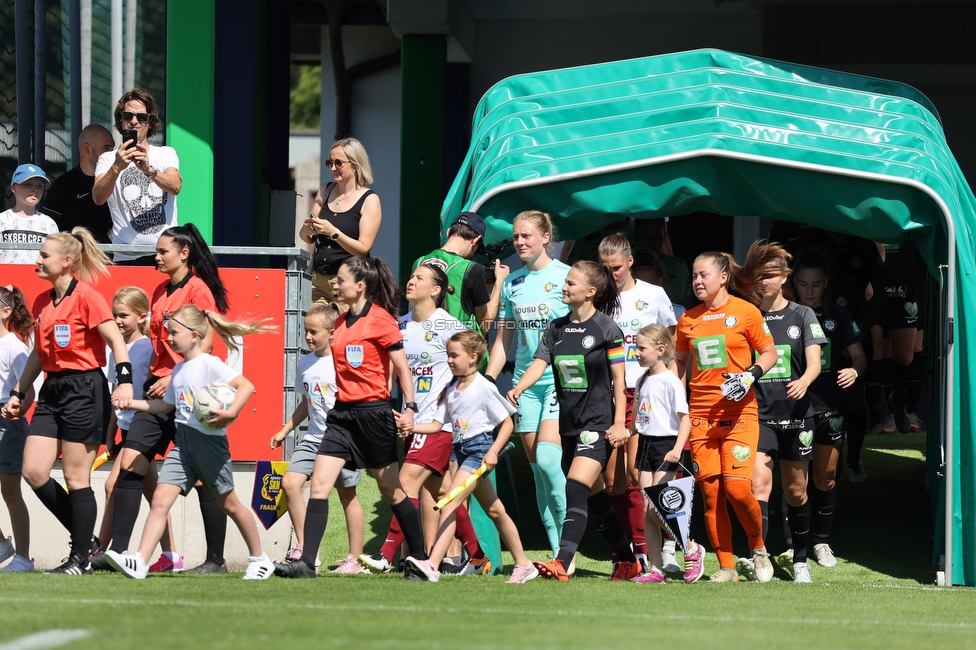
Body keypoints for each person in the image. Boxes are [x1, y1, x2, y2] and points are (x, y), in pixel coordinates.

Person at [273, 257, 429, 579]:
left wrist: (410, 407)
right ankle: (306, 564)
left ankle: (420, 558)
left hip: (373, 414)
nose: (335, 284)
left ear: (360, 286)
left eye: (341, 280)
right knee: (319, 484)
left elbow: (402, 369)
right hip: (341, 415)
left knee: (392, 490)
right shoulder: (340, 324)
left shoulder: (383, 321)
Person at [104, 305, 276, 580]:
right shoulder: (180, 369)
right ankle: (139, 560)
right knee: (160, 499)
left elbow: (246, 386)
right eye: (168, 333)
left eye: (174, 333)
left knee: (229, 504)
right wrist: (132, 402)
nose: (169, 338)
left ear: (194, 335)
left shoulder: (208, 364)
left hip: (209, 445)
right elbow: (164, 406)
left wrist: (231, 413)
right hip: (183, 444)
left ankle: (260, 558)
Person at [1, 228, 133, 574]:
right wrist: (18, 392)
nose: (38, 260)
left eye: (44, 255)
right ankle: (85, 538)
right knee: (33, 470)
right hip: (52, 391)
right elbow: (37, 355)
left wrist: (125, 382)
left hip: (85, 389)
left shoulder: (88, 297)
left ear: (67, 262)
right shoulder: (43, 301)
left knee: (77, 478)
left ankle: (80, 559)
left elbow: (116, 342)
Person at [100, 224, 230, 574]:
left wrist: (174, 376)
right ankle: (121, 554)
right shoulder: (159, 290)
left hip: (188, 393)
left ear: (184, 254)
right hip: (156, 392)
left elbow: (206, 344)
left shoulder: (200, 291)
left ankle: (216, 560)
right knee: (130, 467)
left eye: (163, 251)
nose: (156, 256)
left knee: (205, 480)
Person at [509, 260, 642, 582]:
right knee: (596, 500)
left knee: (574, 487)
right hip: (568, 424)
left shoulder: (606, 329)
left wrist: (619, 424)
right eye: (564, 282)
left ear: (590, 292)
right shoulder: (555, 329)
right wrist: (518, 388)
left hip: (596, 425)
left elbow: (619, 381)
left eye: (570, 283)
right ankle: (628, 561)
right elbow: (539, 364)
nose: (563, 287)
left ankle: (562, 561)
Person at [358, 264, 485, 575]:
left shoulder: (448, 325)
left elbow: (470, 369)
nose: (411, 281)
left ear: (436, 290)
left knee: (405, 484)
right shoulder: (398, 326)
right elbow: (390, 372)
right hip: (410, 421)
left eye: (420, 278)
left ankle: (387, 555)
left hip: (438, 422)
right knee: (442, 493)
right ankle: (478, 556)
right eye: (411, 276)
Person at [673, 246, 778, 583]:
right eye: (693, 276)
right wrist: (670, 396)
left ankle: (759, 548)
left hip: (740, 413)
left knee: (736, 490)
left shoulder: (746, 312)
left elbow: (770, 352)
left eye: (703, 275)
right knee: (711, 494)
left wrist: (751, 374)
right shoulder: (687, 319)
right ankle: (727, 567)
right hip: (701, 417)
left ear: (723, 277)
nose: (697, 281)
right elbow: (678, 364)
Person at [405, 330, 539, 584]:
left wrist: (492, 451)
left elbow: (507, 423)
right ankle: (524, 564)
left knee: (450, 502)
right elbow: (436, 425)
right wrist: (410, 426)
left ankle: (432, 565)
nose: (449, 360)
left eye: (454, 356)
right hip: (461, 450)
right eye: (448, 355)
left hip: (478, 450)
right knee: (496, 510)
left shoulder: (484, 387)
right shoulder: (451, 388)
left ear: (473, 357)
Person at [737, 243, 826, 585]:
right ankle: (760, 557)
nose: (764, 282)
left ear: (785, 277)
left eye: (771, 276)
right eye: (759, 276)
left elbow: (815, 362)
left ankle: (800, 558)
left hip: (798, 416)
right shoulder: (748, 316)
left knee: (797, 492)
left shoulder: (803, 315)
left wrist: (804, 380)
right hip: (759, 415)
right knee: (757, 482)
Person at [486, 210, 571, 561]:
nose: (520, 242)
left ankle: (569, 547)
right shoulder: (512, 283)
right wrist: (489, 379)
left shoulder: (567, 277)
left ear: (546, 237)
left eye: (527, 236)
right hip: (523, 385)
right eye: (517, 237)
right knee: (537, 471)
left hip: (559, 382)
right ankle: (557, 555)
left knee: (551, 464)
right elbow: (504, 337)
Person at [598, 232, 677, 572]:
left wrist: (673, 393)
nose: (610, 273)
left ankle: (659, 549)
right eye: (603, 267)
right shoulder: (597, 297)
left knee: (638, 475)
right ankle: (631, 549)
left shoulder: (654, 294)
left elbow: (670, 349)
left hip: (644, 392)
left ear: (630, 262)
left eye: (615, 267)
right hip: (607, 393)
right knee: (612, 480)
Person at [270, 303, 367, 573]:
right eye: (305, 331)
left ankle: (354, 559)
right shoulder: (305, 362)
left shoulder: (345, 362)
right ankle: (307, 549)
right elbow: (306, 403)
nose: (308, 337)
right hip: (313, 439)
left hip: (341, 440)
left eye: (314, 332)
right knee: (290, 483)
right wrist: (285, 430)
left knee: (347, 495)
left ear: (333, 332)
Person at [91, 287, 181, 572]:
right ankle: (171, 555)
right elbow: (116, 391)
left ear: (142, 317)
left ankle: (102, 549)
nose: (117, 321)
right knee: (152, 492)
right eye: (114, 315)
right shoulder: (116, 349)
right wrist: (110, 432)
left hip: (145, 426)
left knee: (112, 485)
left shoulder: (146, 348)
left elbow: (148, 387)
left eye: (124, 315)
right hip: (126, 428)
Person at [791, 253, 866, 567]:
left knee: (826, 478)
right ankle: (791, 545)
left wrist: (855, 371)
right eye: (804, 284)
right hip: (794, 407)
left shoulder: (839, 314)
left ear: (826, 285)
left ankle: (821, 543)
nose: (810, 291)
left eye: (816, 285)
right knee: (795, 482)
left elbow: (860, 357)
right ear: (793, 284)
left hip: (831, 407)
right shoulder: (784, 315)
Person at [628, 324, 698, 584]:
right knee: (648, 509)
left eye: (641, 348)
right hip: (646, 445)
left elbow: (685, 419)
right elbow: (638, 419)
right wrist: (626, 433)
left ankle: (691, 548)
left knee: (660, 509)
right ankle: (655, 569)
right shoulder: (642, 379)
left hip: (666, 446)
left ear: (660, 350)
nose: (637, 352)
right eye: (636, 347)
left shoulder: (670, 380)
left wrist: (677, 449)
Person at [93, 89, 182, 265]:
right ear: (121, 120)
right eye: (128, 116)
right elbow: (98, 197)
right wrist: (117, 166)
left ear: (150, 123)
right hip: (126, 257)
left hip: (166, 255)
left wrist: (149, 170)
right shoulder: (108, 158)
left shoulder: (165, 153)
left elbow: (175, 186)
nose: (134, 122)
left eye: (141, 117)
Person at [300, 137, 381, 307]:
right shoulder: (325, 191)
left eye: (338, 163)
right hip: (318, 281)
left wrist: (334, 233)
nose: (333, 168)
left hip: (349, 282)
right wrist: (308, 229)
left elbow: (363, 248)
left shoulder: (369, 200)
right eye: (329, 162)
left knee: (344, 331)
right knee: (315, 329)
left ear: (355, 164)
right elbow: (305, 237)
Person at [412, 211, 510, 334]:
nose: (473, 254)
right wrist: (499, 283)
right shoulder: (470, 268)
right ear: (475, 240)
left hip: (424, 342)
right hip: (458, 347)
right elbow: (485, 324)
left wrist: (477, 288)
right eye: (476, 250)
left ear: (448, 232)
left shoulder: (419, 262)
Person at [0, 285, 35, 572]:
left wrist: (17, 406)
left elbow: (29, 388)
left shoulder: (15, 347)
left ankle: (22, 558)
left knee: (11, 494)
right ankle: (2, 545)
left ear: (6, 311)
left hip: (7, 425)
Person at [43, 124, 116, 243]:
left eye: (113, 148)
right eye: (106, 148)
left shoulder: (117, 181)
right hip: (76, 258)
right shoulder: (63, 185)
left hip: (114, 257)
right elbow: (50, 229)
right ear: (87, 149)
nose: (112, 154)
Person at [1, 163, 59, 264]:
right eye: (28, 184)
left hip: (39, 279)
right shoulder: (2, 220)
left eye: (40, 186)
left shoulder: (49, 224)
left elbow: (55, 259)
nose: (35, 189)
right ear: (14, 188)